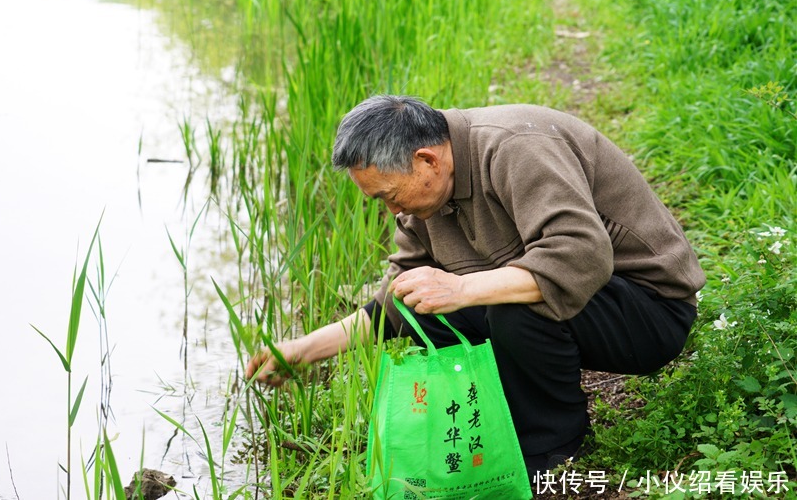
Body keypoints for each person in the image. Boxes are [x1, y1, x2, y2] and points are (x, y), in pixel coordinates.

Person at [246, 95, 706, 477]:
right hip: (586, 308)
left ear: (425, 160)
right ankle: (494, 418)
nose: (390, 212)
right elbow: (397, 298)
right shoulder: (426, 196)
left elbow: (581, 254)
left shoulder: (514, 149)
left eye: (388, 195)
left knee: (508, 304)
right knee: (427, 304)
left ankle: (552, 450)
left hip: (647, 310)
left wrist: (466, 290)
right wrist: (304, 350)